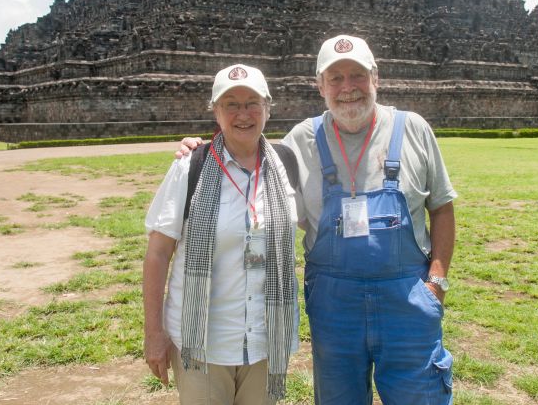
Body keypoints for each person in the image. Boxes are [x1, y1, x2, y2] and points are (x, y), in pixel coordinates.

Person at [179, 35, 457, 405]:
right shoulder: (298, 142)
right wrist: (201, 150)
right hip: (334, 306)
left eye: (357, 75)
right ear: (320, 85)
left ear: (376, 77)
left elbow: (441, 207)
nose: (347, 88)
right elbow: (245, 153)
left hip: (408, 301)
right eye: (335, 78)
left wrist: (436, 282)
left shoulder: (413, 129)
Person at [143, 63, 300, 404]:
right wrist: (154, 333)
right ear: (215, 112)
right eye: (231, 104)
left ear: (268, 109)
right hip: (201, 344)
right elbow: (157, 254)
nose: (243, 114)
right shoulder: (190, 166)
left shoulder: (286, 163)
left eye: (252, 103)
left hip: (265, 340)